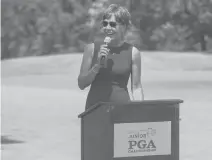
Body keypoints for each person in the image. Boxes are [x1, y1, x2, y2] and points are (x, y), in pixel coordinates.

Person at [78, 4, 144, 110]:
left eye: (113, 24)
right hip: (95, 111)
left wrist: (140, 110)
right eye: (105, 23)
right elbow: (81, 84)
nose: (108, 28)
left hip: (121, 110)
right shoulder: (91, 49)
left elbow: (136, 87)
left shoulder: (133, 52)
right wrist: (97, 66)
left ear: (124, 27)